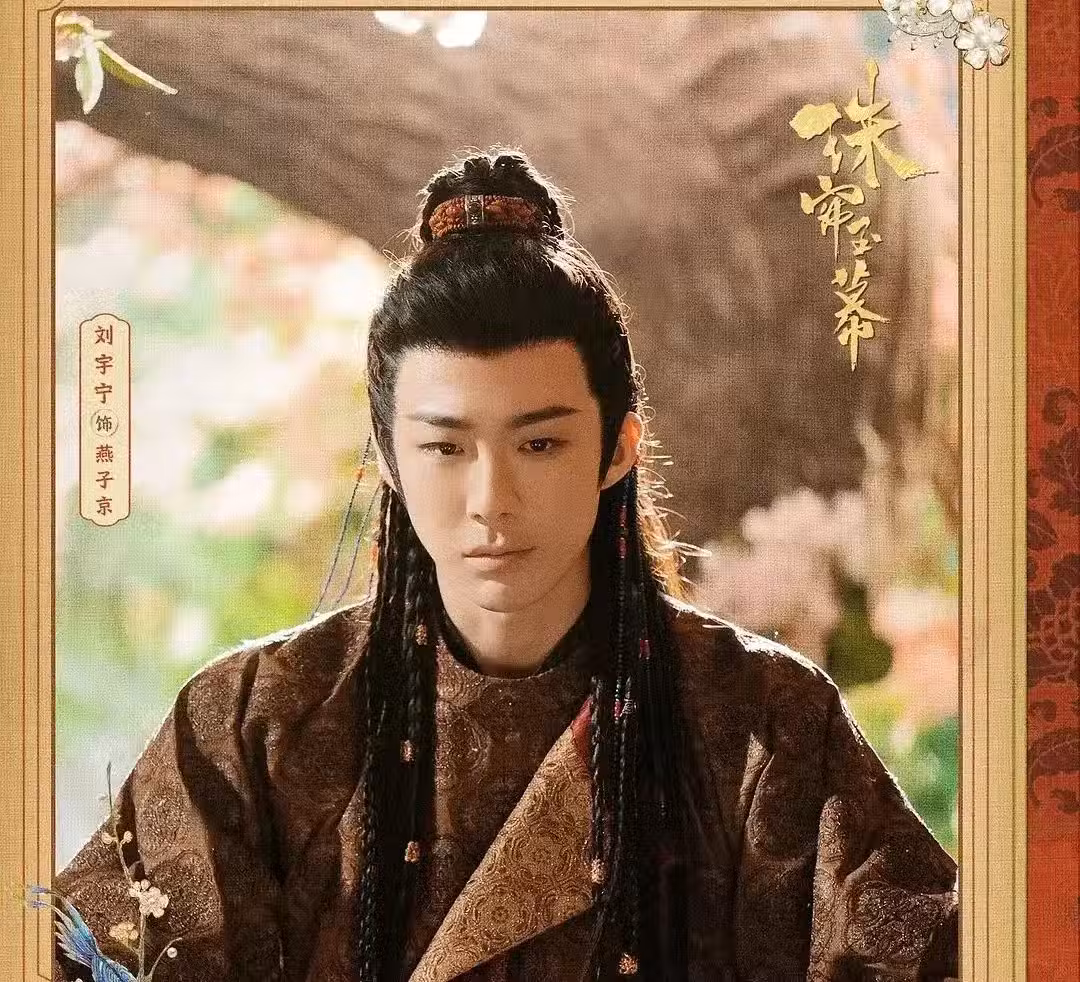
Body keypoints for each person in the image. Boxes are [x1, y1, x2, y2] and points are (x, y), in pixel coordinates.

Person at [52, 147, 959, 982]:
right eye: (446, 448)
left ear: (617, 449)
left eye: (540, 444)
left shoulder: (765, 722)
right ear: (390, 459)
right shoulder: (254, 723)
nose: (491, 499)